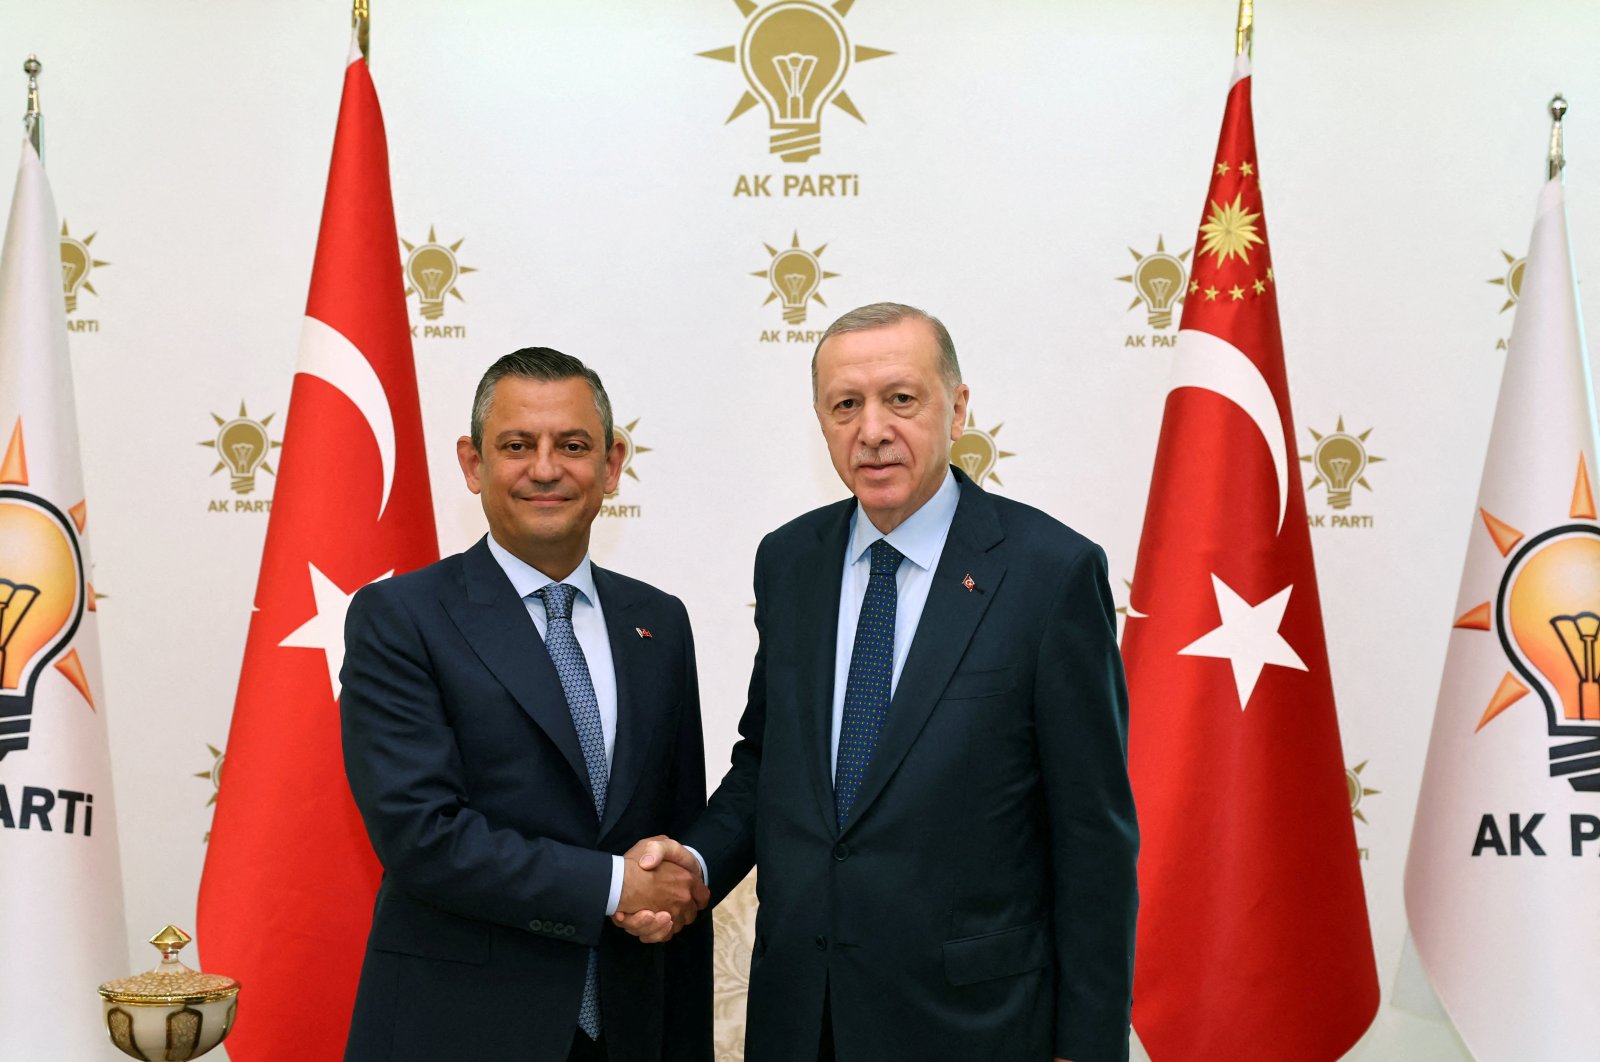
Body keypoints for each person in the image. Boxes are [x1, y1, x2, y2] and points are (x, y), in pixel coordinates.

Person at [624, 303, 1138, 1061]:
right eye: (845, 405)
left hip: (976, 1027)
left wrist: (1085, 1045)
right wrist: (694, 866)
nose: (871, 430)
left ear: (957, 407)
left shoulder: (1050, 574)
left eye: (901, 398)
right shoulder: (790, 561)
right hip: (802, 1021)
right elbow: (770, 762)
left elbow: (1091, 836)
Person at [340, 348, 712, 1062]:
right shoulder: (401, 617)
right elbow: (421, 833)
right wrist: (612, 884)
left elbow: (676, 828)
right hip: (459, 1033)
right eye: (517, 446)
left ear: (611, 465)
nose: (546, 468)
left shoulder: (658, 623)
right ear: (474, 464)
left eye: (573, 446)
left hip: (633, 1029)